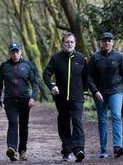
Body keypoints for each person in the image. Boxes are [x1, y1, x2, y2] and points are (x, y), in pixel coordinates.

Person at [43, 32, 89, 162]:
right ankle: (66, 151)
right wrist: (52, 86)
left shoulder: (81, 59)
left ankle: (79, 150)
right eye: (67, 42)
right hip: (61, 98)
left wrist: (86, 92)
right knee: (63, 124)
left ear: (75, 44)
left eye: (71, 42)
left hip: (77, 98)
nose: (69, 44)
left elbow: (86, 77)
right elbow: (46, 74)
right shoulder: (56, 58)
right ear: (63, 43)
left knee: (77, 122)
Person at [87, 32, 123, 158]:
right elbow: (89, 76)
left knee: (116, 115)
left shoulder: (119, 56)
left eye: (109, 40)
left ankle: (117, 147)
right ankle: (103, 149)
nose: (107, 43)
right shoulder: (95, 57)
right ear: (101, 42)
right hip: (100, 92)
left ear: (113, 42)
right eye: (105, 40)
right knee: (102, 119)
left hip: (116, 90)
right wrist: (95, 91)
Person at [0, 41, 39, 161]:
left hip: (25, 101)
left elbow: (35, 84)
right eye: (13, 52)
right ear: (10, 53)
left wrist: (33, 97)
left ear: (21, 52)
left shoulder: (28, 65)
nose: (15, 54)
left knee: (24, 126)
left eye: (17, 52)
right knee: (13, 123)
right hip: (10, 101)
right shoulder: (4, 66)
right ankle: (12, 148)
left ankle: (22, 151)